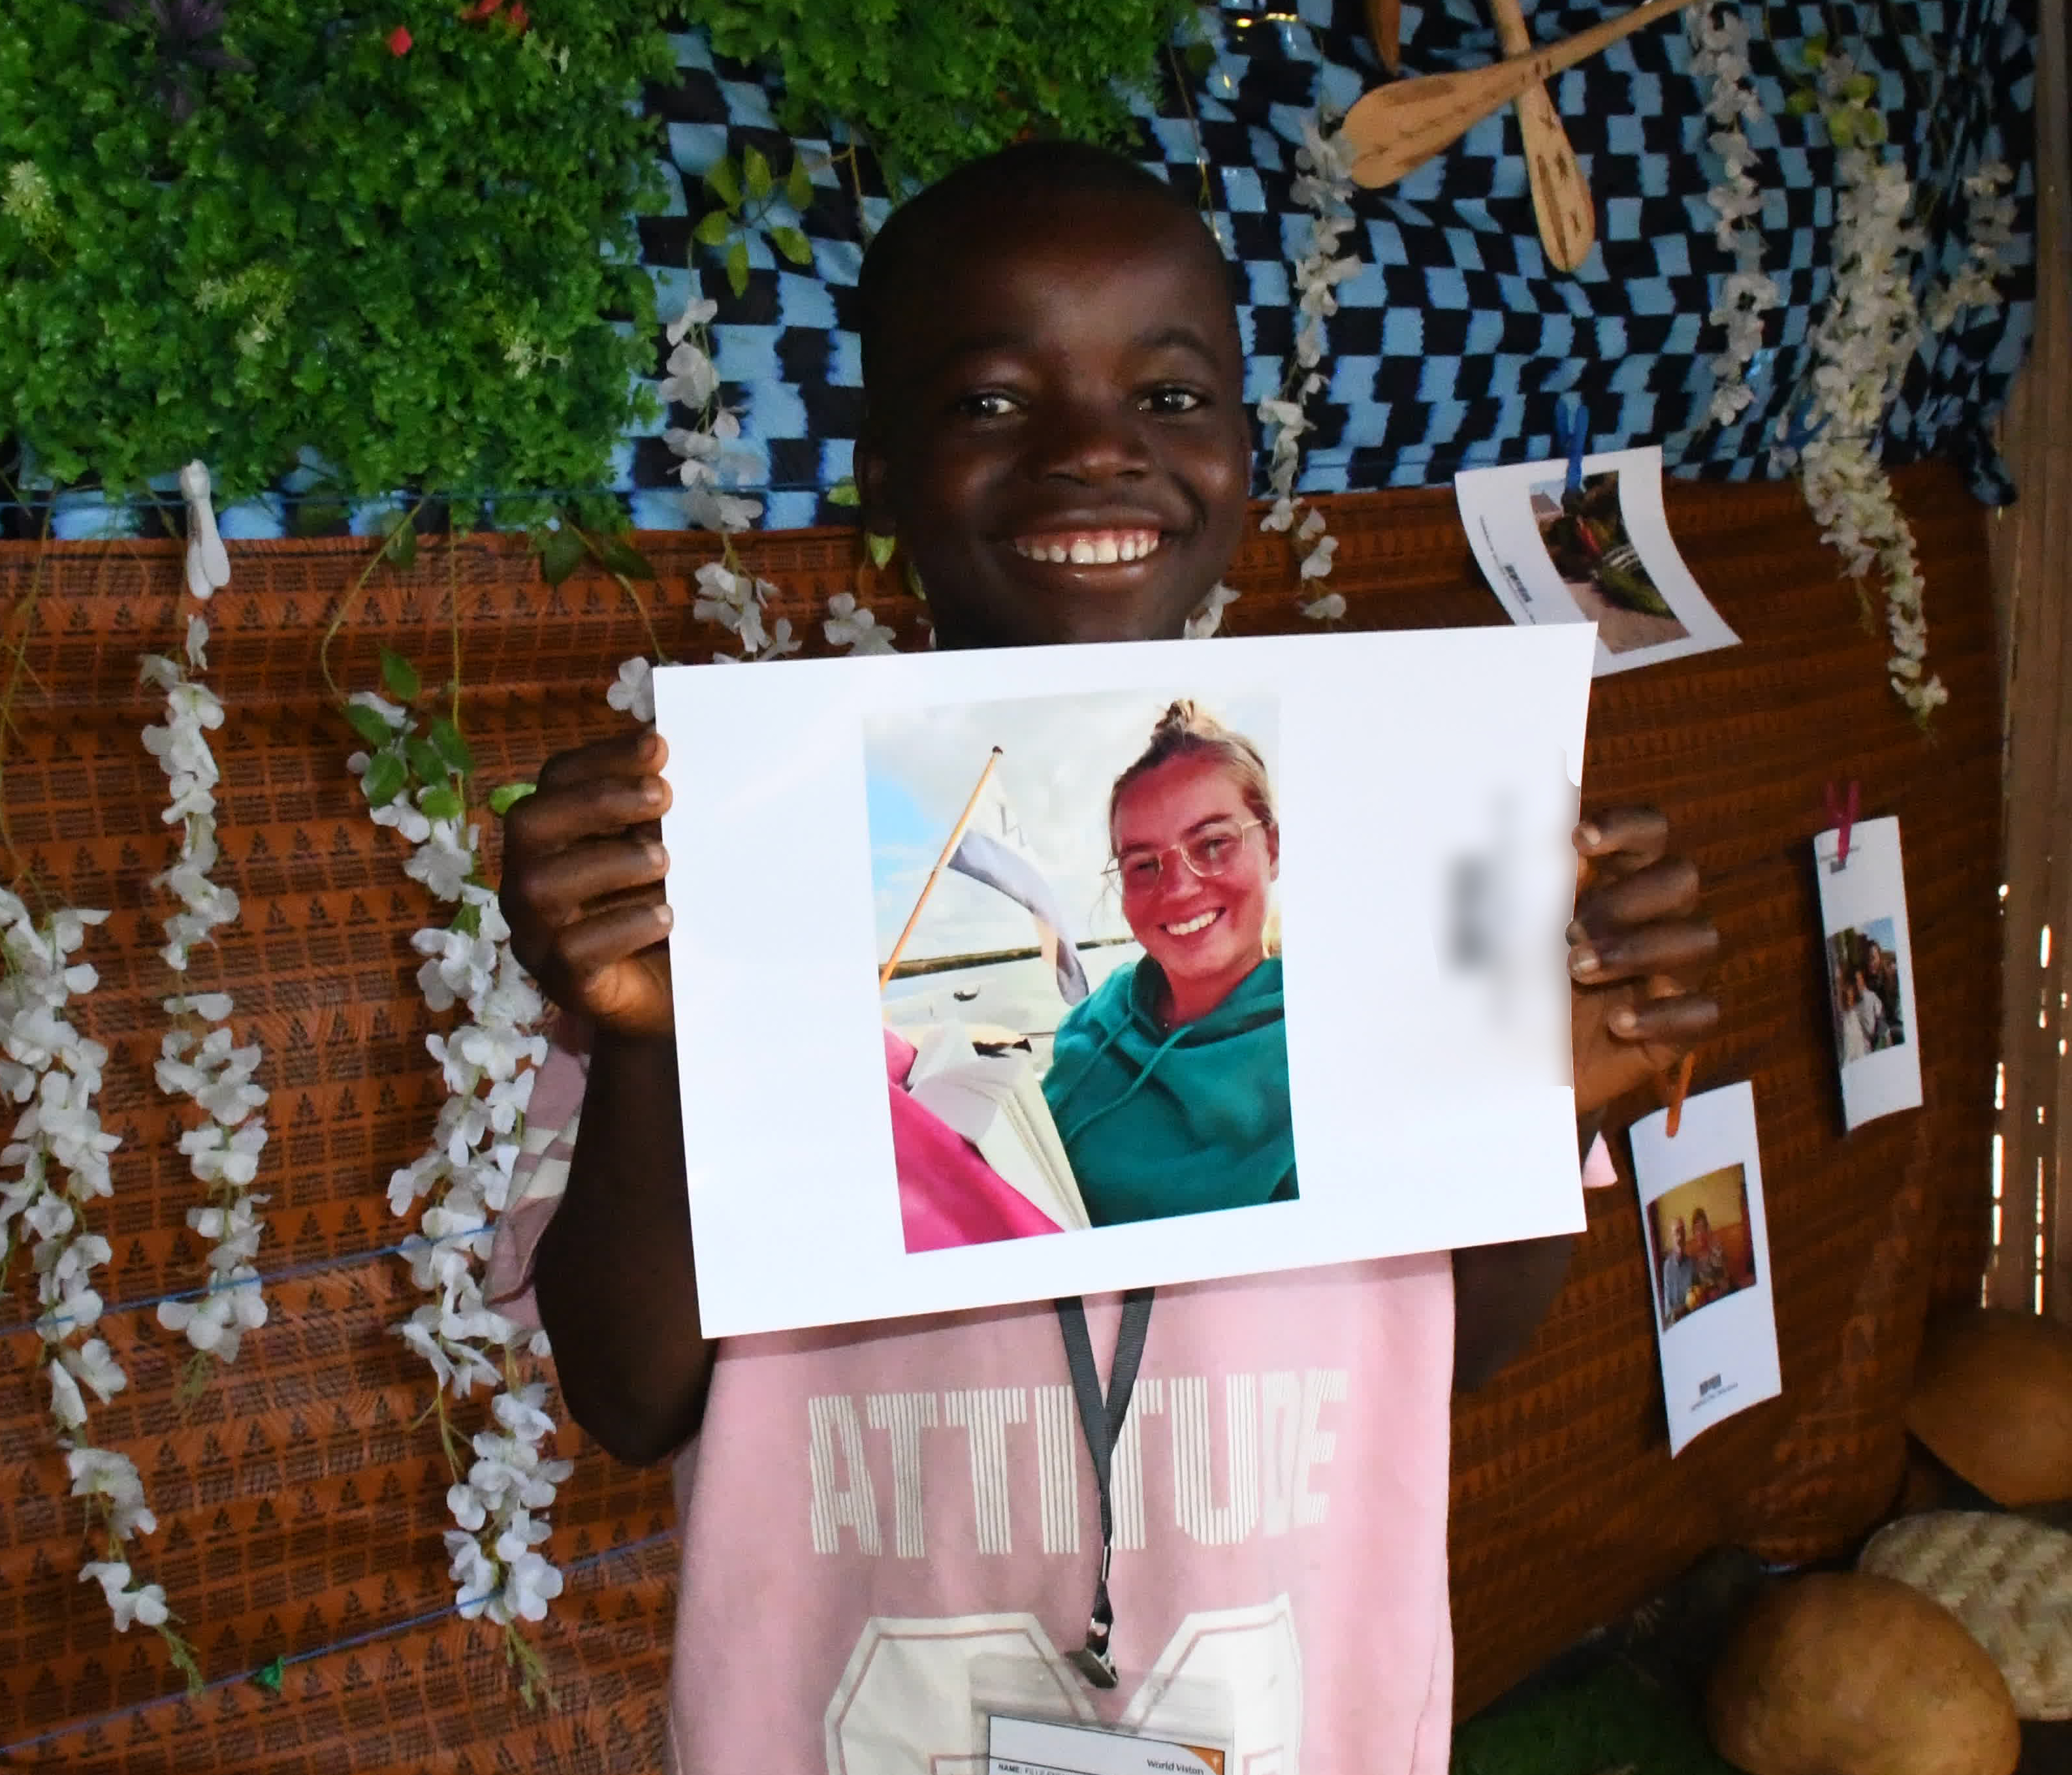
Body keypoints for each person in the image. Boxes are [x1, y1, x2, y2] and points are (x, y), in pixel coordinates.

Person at [496, 141, 1719, 1771]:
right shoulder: (718, 859)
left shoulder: (1406, 865)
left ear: (1241, 447)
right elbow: (628, 1391)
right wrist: (655, 1031)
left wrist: (1545, 1086)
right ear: (875, 469)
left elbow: (1462, 1347)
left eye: (1168, 394)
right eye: (990, 400)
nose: (1092, 453)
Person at [1040, 701, 1296, 1224]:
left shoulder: (1320, 1054)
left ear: (1270, 846)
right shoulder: (1092, 1023)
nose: (1177, 888)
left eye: (1214, 843)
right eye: (1144, 864)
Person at [1658, 1216, 1695, 1328]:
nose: (1680, 1237)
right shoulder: (1667, 1266)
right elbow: (1668, 1309)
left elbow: (1697, 1297)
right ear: (1672, 1237)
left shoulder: (1692, 1264)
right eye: (1677, 1233)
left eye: (1683, 1232)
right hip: (1675, 1323)